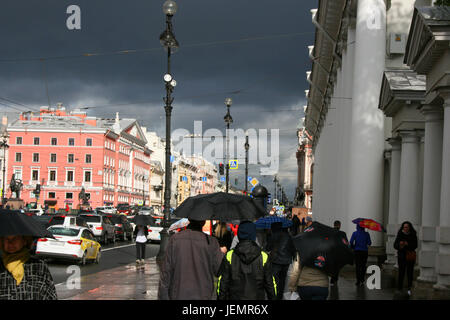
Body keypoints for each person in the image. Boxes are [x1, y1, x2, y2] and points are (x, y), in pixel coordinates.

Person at [158, 219, 224, 300]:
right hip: (203, 294)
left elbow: (166, 272)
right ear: (203, 222)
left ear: (189, 220)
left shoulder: (175, 239)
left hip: (179, 293)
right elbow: (219, 270)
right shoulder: (211, 242)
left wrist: (163, 296)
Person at [217, 221, 277, 300]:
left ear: (238, 235)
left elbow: (222, 284)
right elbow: (270, 284)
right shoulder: (263, 256)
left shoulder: (230, 255)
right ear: (254, 235)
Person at [0, 235, 57, 300]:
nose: (10, 243)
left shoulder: (38, 265)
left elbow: (50, 294)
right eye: (7, 239)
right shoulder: (1, 265)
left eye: (15, 238)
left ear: (24, 241)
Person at [265, 222, 296, 299]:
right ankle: (280, 295)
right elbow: (293, 248)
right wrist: (293, 257)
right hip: (286, 261)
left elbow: (267, 248)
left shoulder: (273, 236)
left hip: (276, 261)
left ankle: (275, 295)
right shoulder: (288, 236)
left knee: (275, 280)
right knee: (283, 279)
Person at [394, 221, 418, 296]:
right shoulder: (400, 234)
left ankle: (409, 288)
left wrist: (408, 244)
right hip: (401, 256)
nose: (405, 228)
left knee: (410, 272)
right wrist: (400, 245)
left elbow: (415, 245)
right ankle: (399, 288)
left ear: (409, 227)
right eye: (404, 227)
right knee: (401, 272)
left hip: (410, 256)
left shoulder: (413, 234)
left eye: (407, 227)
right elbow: (395, 245)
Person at [330, 220, 348, 286]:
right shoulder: (343, 234)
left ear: (334, 224)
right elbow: (346, 243)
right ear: (339, 225)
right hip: (339, 252)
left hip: (331, 251)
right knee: (337, 266)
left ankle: (332, 280)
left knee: (332, 266)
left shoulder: (330, 232)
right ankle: (335, 279)